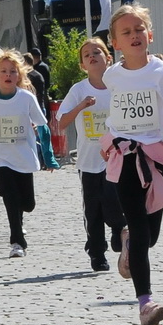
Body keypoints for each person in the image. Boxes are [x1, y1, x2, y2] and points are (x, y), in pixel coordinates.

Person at [101, 5, 163, 325]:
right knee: (141, 231)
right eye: (126, 32)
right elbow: (115, 114)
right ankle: (146, 303)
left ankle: (128, 242)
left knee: (149, 236)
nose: (134, 36)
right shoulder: (112, 75)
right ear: (115, 43)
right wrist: (109, 139)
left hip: (158, 158)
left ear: (150, 34)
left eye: (139, 29)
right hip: (126, 157)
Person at [0, 48, 49, 256]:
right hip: (0, 156)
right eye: (3, 71)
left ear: (20, 76)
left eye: (13, 71)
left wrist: (49, 156)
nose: (8, 75)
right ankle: (17, 242)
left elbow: (42, 125)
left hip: (23, 154)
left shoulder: (26, 98)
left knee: (28, 204)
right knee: (11, 196)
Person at [54, 36, 121, 272]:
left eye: (97, 52)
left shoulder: (119, 85)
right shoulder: (79, 89)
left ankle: (117, 229)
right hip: (89, 159)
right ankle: (96, 252)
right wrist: (81, 106)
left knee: (115, 200)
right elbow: (61, 123)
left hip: (117, 157)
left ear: (108, 58)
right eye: (87, 55)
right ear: (83, 65)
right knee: (93, 208)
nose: (92, 57)